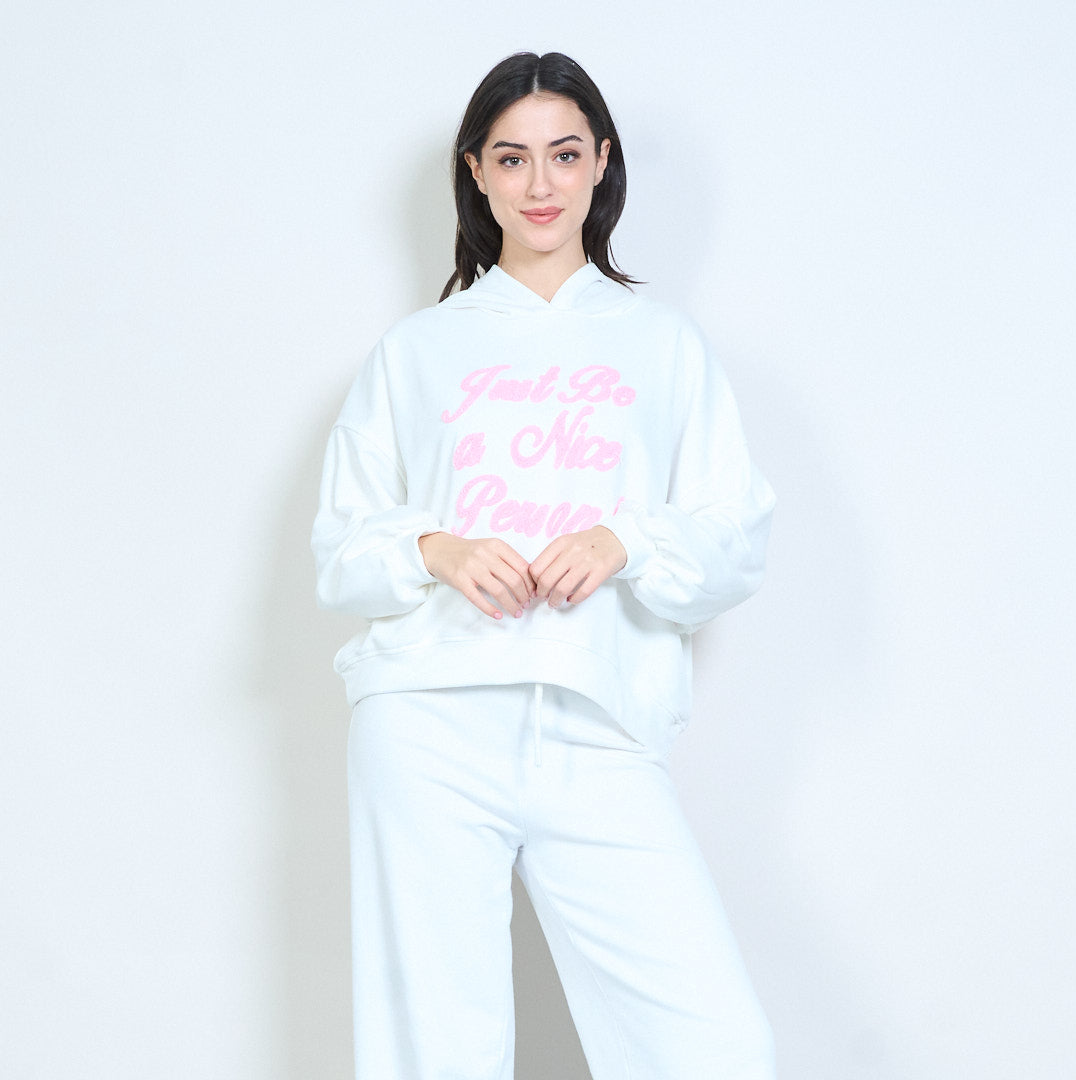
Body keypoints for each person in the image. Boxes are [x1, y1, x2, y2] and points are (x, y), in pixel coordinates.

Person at [312, 50, 777, 1080]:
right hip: (428, 720)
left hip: (595, 722)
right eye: (512, 158)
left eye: (564, 155)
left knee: (716, 1047)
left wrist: (626, 540)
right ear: (475, 171)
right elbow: (340, 551)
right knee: (435, 1052)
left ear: (602, 162)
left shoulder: (663, 344)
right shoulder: (416, 351)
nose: (540, 185)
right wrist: (435, 548)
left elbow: (735, 535)